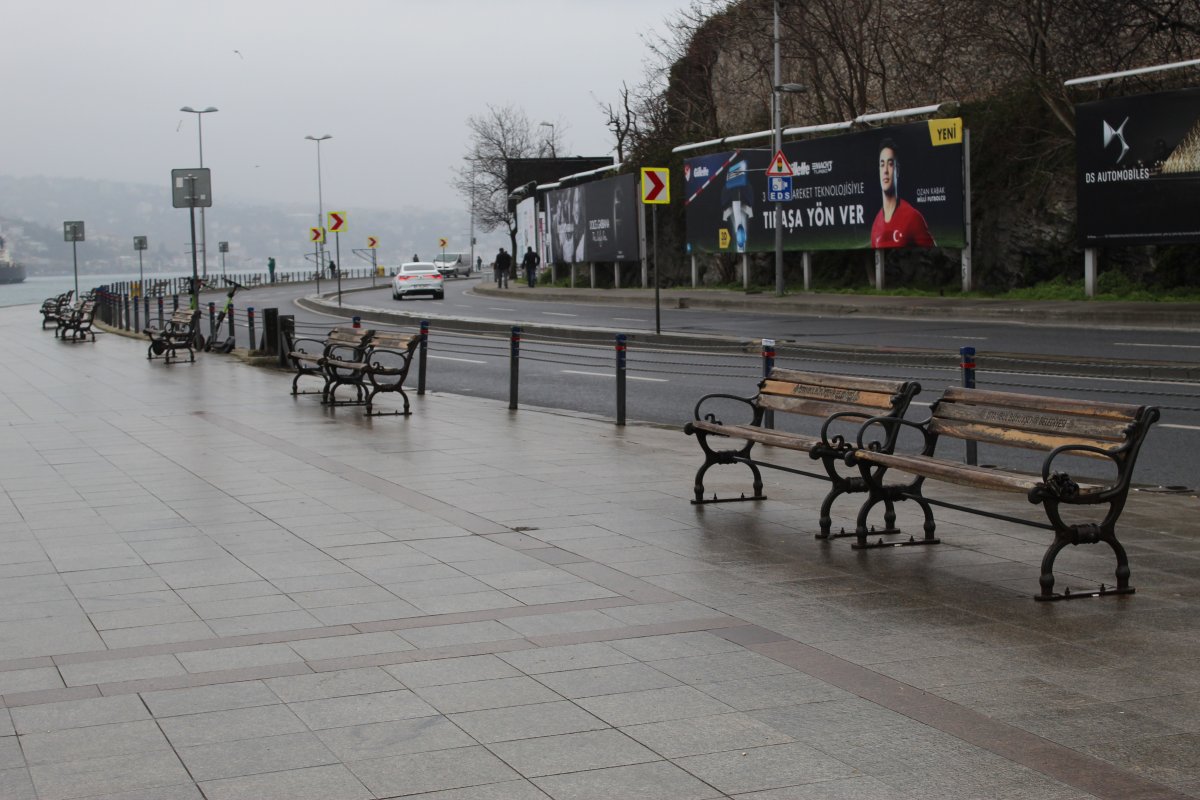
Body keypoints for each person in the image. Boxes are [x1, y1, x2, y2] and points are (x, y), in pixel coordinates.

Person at [870, 138, 934, 249]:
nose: (885, 170)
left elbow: (934, 254)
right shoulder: (876, 225)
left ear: (897, 170)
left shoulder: (912, 217)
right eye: (882, 165)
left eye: (890, 164)